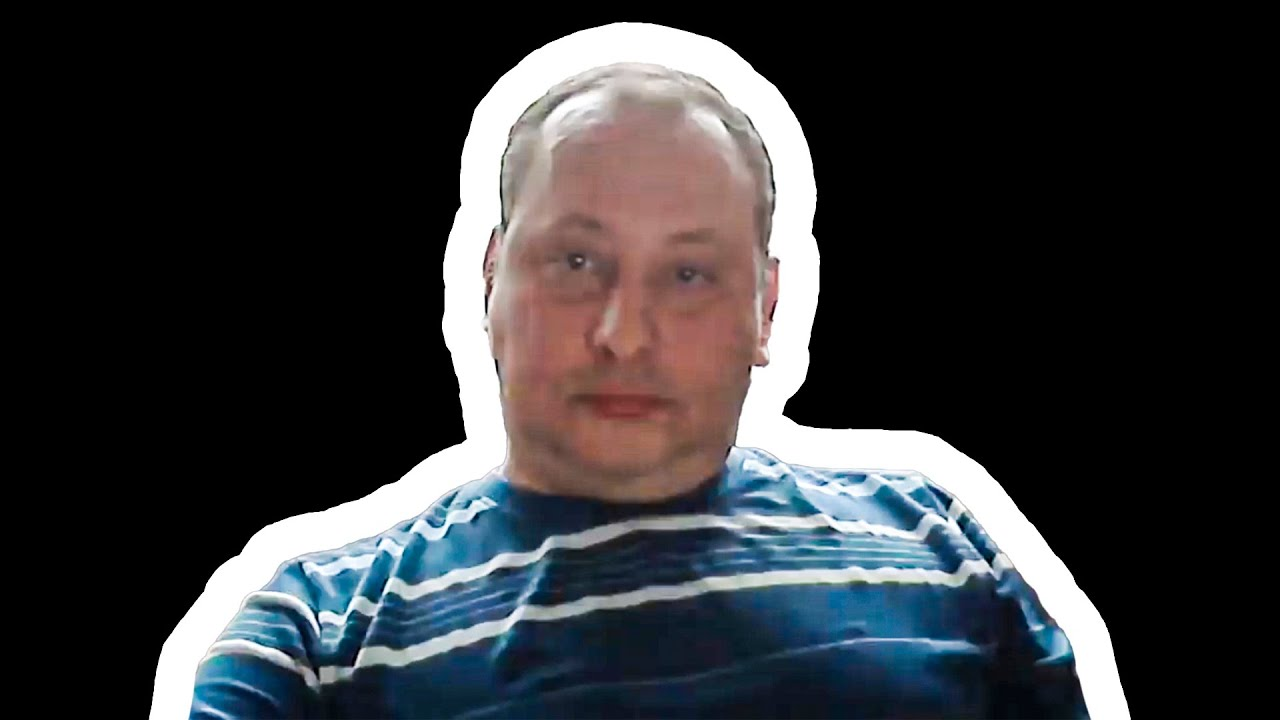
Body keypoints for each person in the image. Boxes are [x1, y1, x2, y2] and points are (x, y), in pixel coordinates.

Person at [189, 62, 1090, 719]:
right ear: (490, 280)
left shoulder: (941, 544)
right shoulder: (313, 633)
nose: (624, 334)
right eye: (577, 262)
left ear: (766, 309)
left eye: (688, 274)